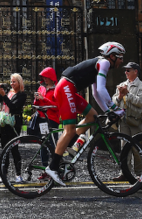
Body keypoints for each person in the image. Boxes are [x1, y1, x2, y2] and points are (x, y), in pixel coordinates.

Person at [44, 42, 127, 186]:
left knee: (92, 116)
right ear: (112, 56)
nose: (122, 61)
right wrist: (114, 108)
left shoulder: (99, 65)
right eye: (120, 57)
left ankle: (68, 147)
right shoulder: (105, 63)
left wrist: (107, 111)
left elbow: (95, 93)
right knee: (69, 130)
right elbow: (101, 90)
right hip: (66, 88)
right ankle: (52, 167)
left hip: (69, 87)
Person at [111, 62, 142, 179]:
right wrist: (119, 96)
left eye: (128, 70)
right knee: (124, 147)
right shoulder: (122, 85)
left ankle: (140, 173)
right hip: (123, 120)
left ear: (135, 71)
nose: (126, 72)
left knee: (136, 147)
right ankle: (124, 172)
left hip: (135, 121)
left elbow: (141, 102)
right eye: (125, 70)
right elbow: (114, 102)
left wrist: (128, 94)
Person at [0, 73, 27, 183]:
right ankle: (4, 173)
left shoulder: (22, 95)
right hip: (4, 122)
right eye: (11, 81)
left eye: (14, 81)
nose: (12, 84)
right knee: (4, 149)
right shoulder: (8, 92)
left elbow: (13, 107)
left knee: (14, 148)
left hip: (14, 123)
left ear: (19, 83)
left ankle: (18, 174)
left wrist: (4, 96)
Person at [30, 67, 59, 168]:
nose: (45, 79)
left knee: (53, 145)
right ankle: (45, 168)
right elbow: (36, 103)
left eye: (46, 77)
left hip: (52, 120)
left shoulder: (56, 89)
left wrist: (44, 99)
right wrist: (37, 99)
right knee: (43, 145)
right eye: (43, 77)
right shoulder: (41, 88)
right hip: (42, 119)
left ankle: (54, 168)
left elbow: (57, 106)